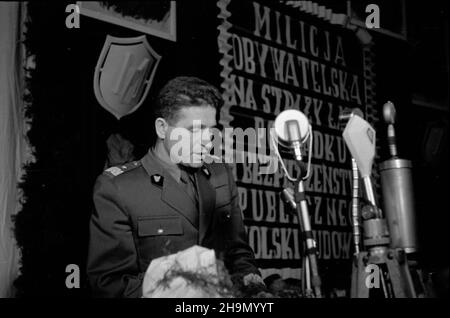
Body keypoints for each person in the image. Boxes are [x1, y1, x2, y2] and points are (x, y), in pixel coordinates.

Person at [87, 76, 265, 297]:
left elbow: (239, 253)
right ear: (162, 128)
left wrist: (253, 286)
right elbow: (110, 284)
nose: (207, 141)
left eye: (211, 129)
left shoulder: (220, 175)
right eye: (194, 130)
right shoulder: (118, 188)